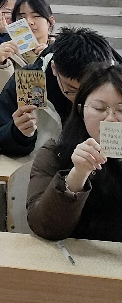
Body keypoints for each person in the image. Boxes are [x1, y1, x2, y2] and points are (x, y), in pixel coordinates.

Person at [27, 62, 122, 242]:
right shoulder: (54, 154)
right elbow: (45, 227)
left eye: (121, 109)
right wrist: (77, 175)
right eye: (99, 108)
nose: (110, 118)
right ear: (80, 110)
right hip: (72, 257)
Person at [0, 27, 118, 157]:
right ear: (54, 68)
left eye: (90, 90)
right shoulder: (31, 80)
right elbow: (0, 137)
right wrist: (18, 134)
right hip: (42, 164)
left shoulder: (115, 83)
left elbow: (115, 152)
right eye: (72, 90)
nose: (81, 100)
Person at [0, 0, 55, 75]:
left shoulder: (59, 51)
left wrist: (49, 58)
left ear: (50, 21)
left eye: (36, 16)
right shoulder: (8, 54)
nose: (29, 22)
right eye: (21, 18)